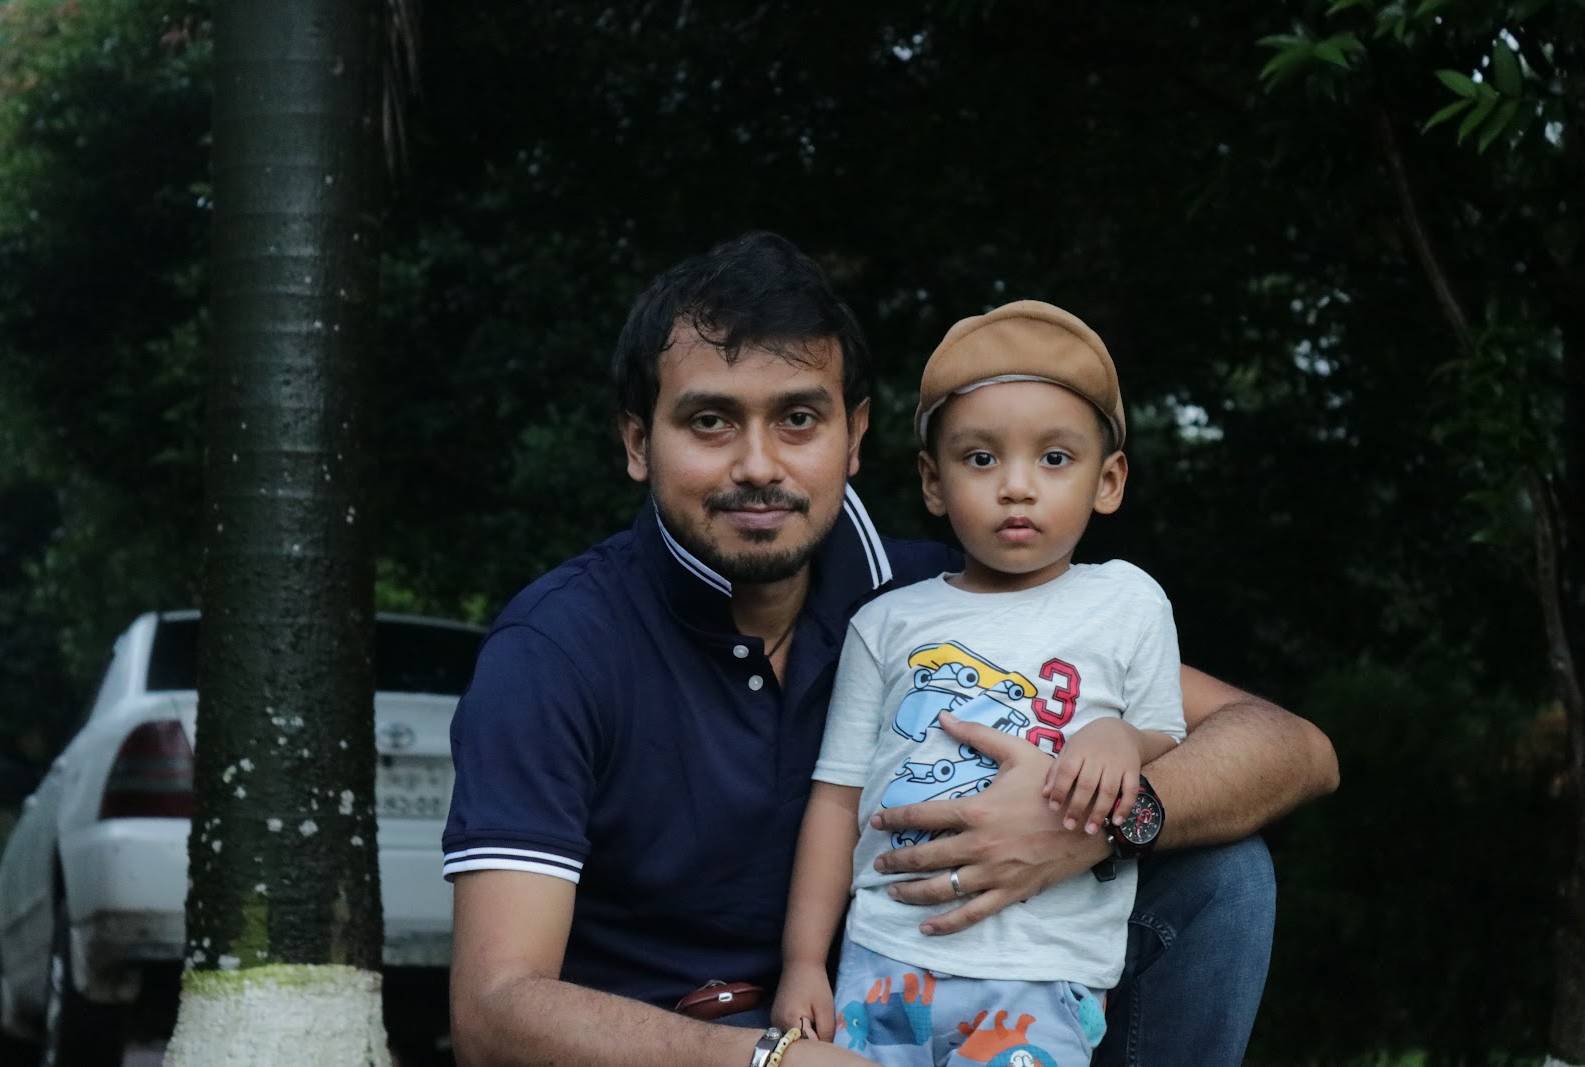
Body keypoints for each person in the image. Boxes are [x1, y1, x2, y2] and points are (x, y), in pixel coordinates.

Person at [443, 232, 1339, 1067]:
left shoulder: (938, 603)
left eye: (799, 418)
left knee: (1222, 871)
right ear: (639, 441)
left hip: (954, 1003)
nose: (759, 464)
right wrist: (773, 1060)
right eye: (710, 421)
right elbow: (493, 1006)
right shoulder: (557, 648)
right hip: (708, 1046)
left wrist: (1098, 821)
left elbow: (1289, 745)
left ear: (856, 437)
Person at [773, 300, 1186, 1067]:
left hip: (1041, 972)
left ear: (1109, 479)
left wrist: (1121, 736)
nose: (1016, 486)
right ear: (933, 481)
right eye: (981, 458)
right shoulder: (886, 622)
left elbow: (1170, 737)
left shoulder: (1128, 602)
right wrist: (803, 960)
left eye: (1054, 458)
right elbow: (835, 801)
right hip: (886, 962)